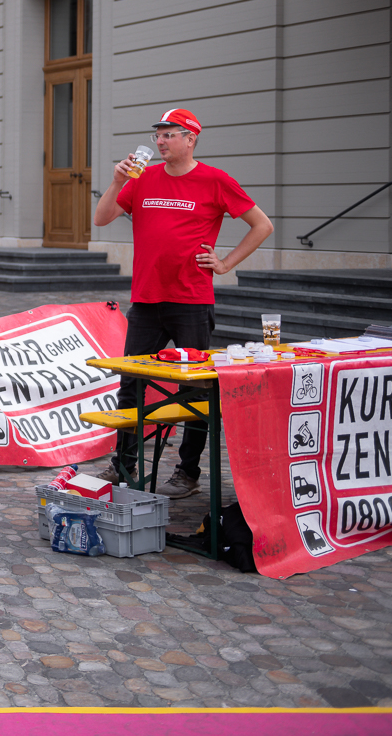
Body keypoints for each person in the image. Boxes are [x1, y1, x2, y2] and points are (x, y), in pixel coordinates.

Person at [92, 108, 274, 498]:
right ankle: (124, 464)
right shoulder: (142, 179)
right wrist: (116, 181)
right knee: (131, 384)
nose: (160, 142)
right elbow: (102, 218)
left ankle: (187, 473)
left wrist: (225, 264)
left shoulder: (215, 180)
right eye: (158, 135)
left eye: (169, 135)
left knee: (195, 392)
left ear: (190, 139)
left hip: (191, 300)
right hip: (145, 299)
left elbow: (263, 225)